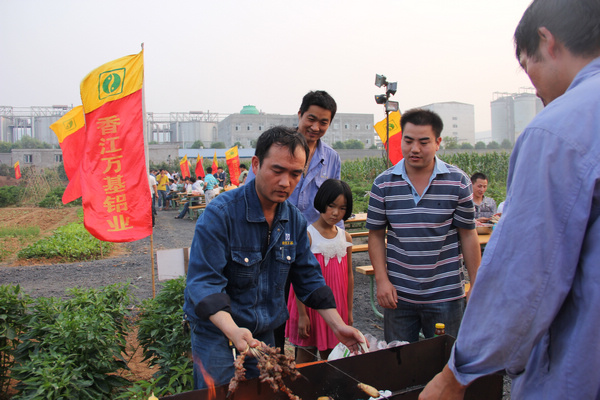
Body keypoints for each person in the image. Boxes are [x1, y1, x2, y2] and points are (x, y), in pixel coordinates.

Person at [419, 1, 600, 399]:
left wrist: (455, 375)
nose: (533, 86)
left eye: (526, 66)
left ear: (546, 40)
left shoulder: (557, 131)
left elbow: (525, 278)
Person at [183, 126, 366, 389]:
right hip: (217, 330)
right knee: (222, 392)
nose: (285, 182)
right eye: (277, 170)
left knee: (264, 391)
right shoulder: (220, 215)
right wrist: (233, 330)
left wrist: (337, 325)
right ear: (256, 164)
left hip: (262, 328)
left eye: (295, 174)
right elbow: (204, 283)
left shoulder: (294, 220)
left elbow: (309, 278)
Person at [366, 108, 481, 343]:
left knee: (444, 359)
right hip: (398, 296)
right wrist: (382, 281)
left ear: (438, 143)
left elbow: (468, 235)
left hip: (446, 296)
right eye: (408, 141)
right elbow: (376, 235)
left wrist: (476, 284)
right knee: (399, 360)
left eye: (423, 142)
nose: (414, 149)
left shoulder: (458, 182)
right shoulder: (384, 184)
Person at [246, 90, 342, 350]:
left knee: (312, 314)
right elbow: (251, 195)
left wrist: (338, 241)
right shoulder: (276, 148)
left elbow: (334, 202)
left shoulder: (331, 158)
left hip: (308, 251)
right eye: (311, 118)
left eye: (323, 122)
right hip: (271, 246)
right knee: (270, 308)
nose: (316, 127)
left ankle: (301, 361)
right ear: (299, 114)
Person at [286, 179, 354, 363]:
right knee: (306, 355)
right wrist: (302, 314)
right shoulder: (307, 236)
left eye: (342, 208)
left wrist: (348, 311)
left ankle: (327, 383)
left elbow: (349, 276)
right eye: (331, 206)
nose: (335, 212)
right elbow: (298, 277)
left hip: (336, 307)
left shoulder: (345, 238)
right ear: (321, 202)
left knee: (332, 355)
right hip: (309, 307)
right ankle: (303, 383)